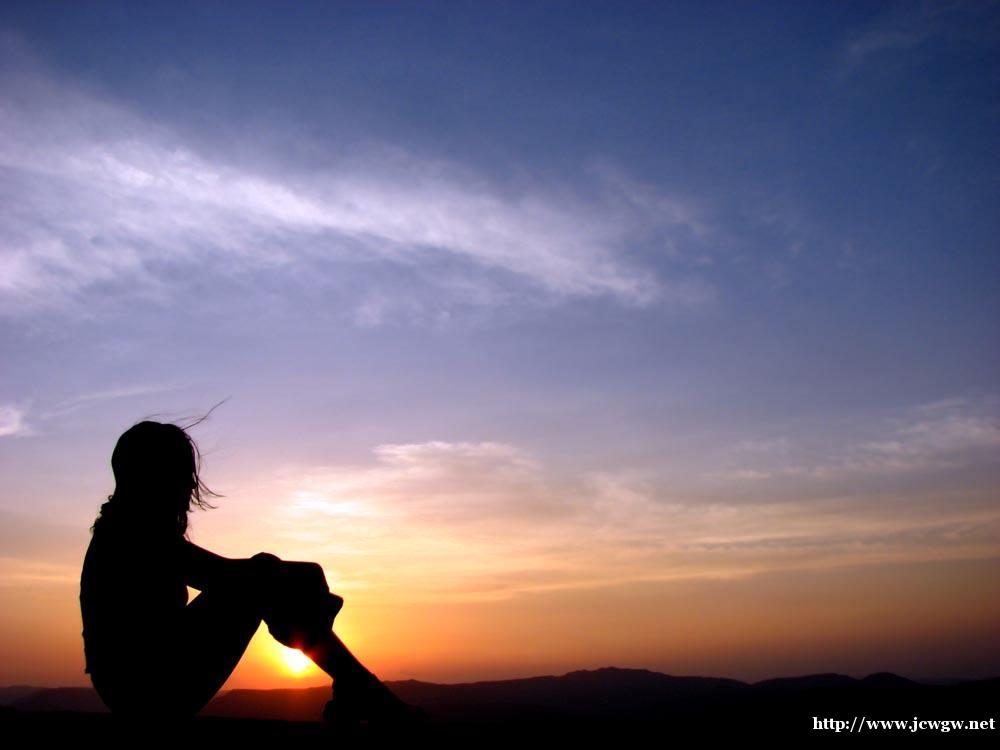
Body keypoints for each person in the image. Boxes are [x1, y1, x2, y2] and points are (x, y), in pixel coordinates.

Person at [79, 418, 423, 728]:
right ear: (154, 478)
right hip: (146, 692)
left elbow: (233, 577)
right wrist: (305, 577)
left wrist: (287, 578)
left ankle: (359, 688)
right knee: (259, 577)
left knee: (261, 576)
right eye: (182, 475)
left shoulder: (127, 532)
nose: (190, 488)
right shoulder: (133, 535)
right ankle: (363, 690)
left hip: (143, 685)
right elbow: (228, 576)